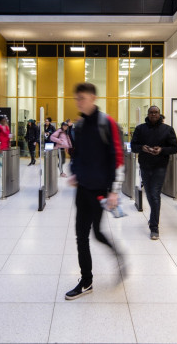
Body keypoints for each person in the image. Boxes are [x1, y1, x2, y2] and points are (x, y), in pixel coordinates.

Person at [66, 82, 124, 300]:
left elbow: (117, 157)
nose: (78, 102)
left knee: (97, 233)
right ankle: (86, 281)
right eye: (76, 98)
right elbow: (76, 155)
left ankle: (120, 256)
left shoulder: (107, 123)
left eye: (82, 98)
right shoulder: (79, 126)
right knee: (81, 235)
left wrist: (114, 191)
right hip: (82, 188)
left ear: (93, 98)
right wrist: (73, 172)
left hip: (100, 190)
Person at [130, 105, 177, 239]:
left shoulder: (168, 129)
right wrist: (142, 148)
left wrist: (161, 150)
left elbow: (175, 148)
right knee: (150, 195)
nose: (153, 115)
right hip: (145, 166)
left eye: (156, 112)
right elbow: (133, 146)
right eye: (151, 112)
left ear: (160, 114)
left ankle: (154, 227)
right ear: (148, 114)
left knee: (155, 194)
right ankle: (153, 217)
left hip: (160, 167)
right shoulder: (140, 129)